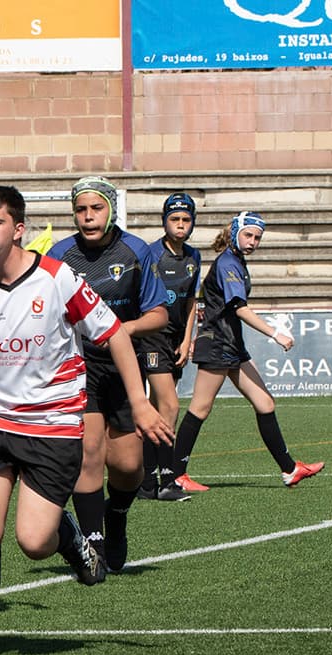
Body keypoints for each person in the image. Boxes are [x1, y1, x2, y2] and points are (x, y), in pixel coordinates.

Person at [0, 185, 173, 655]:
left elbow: (113, 335)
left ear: (19, 230)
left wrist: (139, 402)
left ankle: (69, 538)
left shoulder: (57, 279)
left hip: (52, 425)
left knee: (33, 542)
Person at [47, 177, 168, 573]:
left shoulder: (135, 251)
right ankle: (93, 545)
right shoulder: (59, 255)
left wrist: (120, 331)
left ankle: (115, 515)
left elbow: (159, 314)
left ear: (111, 210)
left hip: (123, 364)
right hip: (79, 364)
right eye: (80, 210)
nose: (87, 217)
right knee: (90, 452)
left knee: (130, 466)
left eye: (95, 209)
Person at [170, 212, 323, 492]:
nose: (253, 241)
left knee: (265, 403)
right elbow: (239, 308)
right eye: (248, 235)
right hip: (217, 344)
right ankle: (177, 475)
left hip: (231, 345)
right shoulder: (229, 263)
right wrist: (275, 333)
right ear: (234, 234)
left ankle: (290, 470)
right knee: (199, 409)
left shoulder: (236, 261)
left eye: (257, 237)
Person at [136, 192, 204, 503]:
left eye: (185, 220)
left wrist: (188, 340)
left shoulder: (193, 257)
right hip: (152, 337)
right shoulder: (150, 254)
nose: (180, 224)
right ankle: (167, 479)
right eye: (174, 219)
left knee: (159, 410)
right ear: (164, 221)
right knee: (170, 406)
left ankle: (148, 482)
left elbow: (191, 302)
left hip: (176, 338)